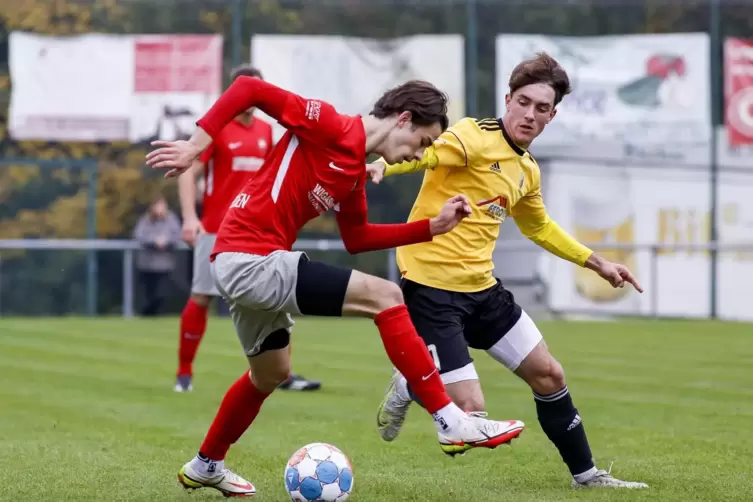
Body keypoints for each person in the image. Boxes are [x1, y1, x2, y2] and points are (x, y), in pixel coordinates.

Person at [146, 76, 526, 497]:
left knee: (271, 372)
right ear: (403, 119)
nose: (421, 153)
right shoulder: (328, 123)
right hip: (249, 259)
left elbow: (357, 238)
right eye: (423, 140)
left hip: (244, 262)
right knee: (387, 296)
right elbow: (248, 88)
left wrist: (430, 228)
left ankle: (206, 464)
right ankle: (451, 421)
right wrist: (197, 144)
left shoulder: (354, 172)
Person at [369, 53, 649, 489]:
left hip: (483, 291)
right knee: (470, 416)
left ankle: (587, 476)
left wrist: (599, 264)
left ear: (552, 116)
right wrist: (385, 163)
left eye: (542, 108)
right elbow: (427, 155)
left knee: (550, 374)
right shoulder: (472, 136)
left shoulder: (526, 171)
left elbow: (540, 227)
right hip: (431, 290)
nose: (530, 114)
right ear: (508, 99)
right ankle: (412, 382)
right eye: (523, 101)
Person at [175, 65, 320, 393]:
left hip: (258, 231)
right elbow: (187, 172)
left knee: (276, 297)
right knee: (201, 298)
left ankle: (283, 373)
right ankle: (184, 373)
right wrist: (188, 217)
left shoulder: (266, 132)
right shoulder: (218, 130)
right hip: (215, 229)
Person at [133, 196, 182, 316]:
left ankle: (149, 314)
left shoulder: (171, 220)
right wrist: (154, 241)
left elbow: (177, 234)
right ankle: (148, 315)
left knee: (162, 294)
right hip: (147, 264)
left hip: (165, 264)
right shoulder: (146, 220)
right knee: (149, 293)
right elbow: (139, 235)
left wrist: (166, 241)